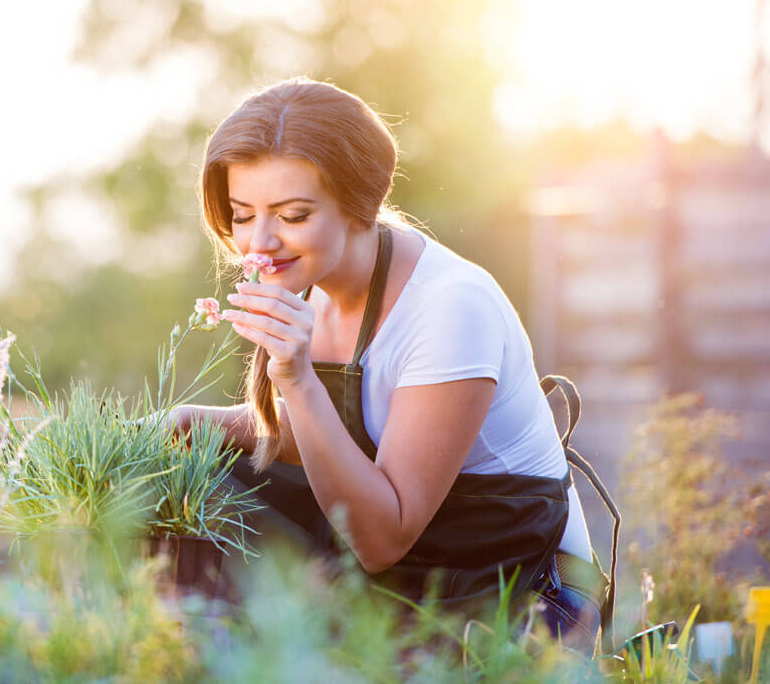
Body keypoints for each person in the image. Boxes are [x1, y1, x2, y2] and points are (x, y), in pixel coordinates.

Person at [166, 77, 616, 657]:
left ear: (360, 204)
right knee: (189, 489)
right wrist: (181, 424)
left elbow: (381, 539)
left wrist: (296, 376)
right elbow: (325, 434)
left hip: (514, 597)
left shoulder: (450, 306)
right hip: (414, 574)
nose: (261, 242)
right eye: (242, 214)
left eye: (293, 214)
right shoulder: (312, 279)